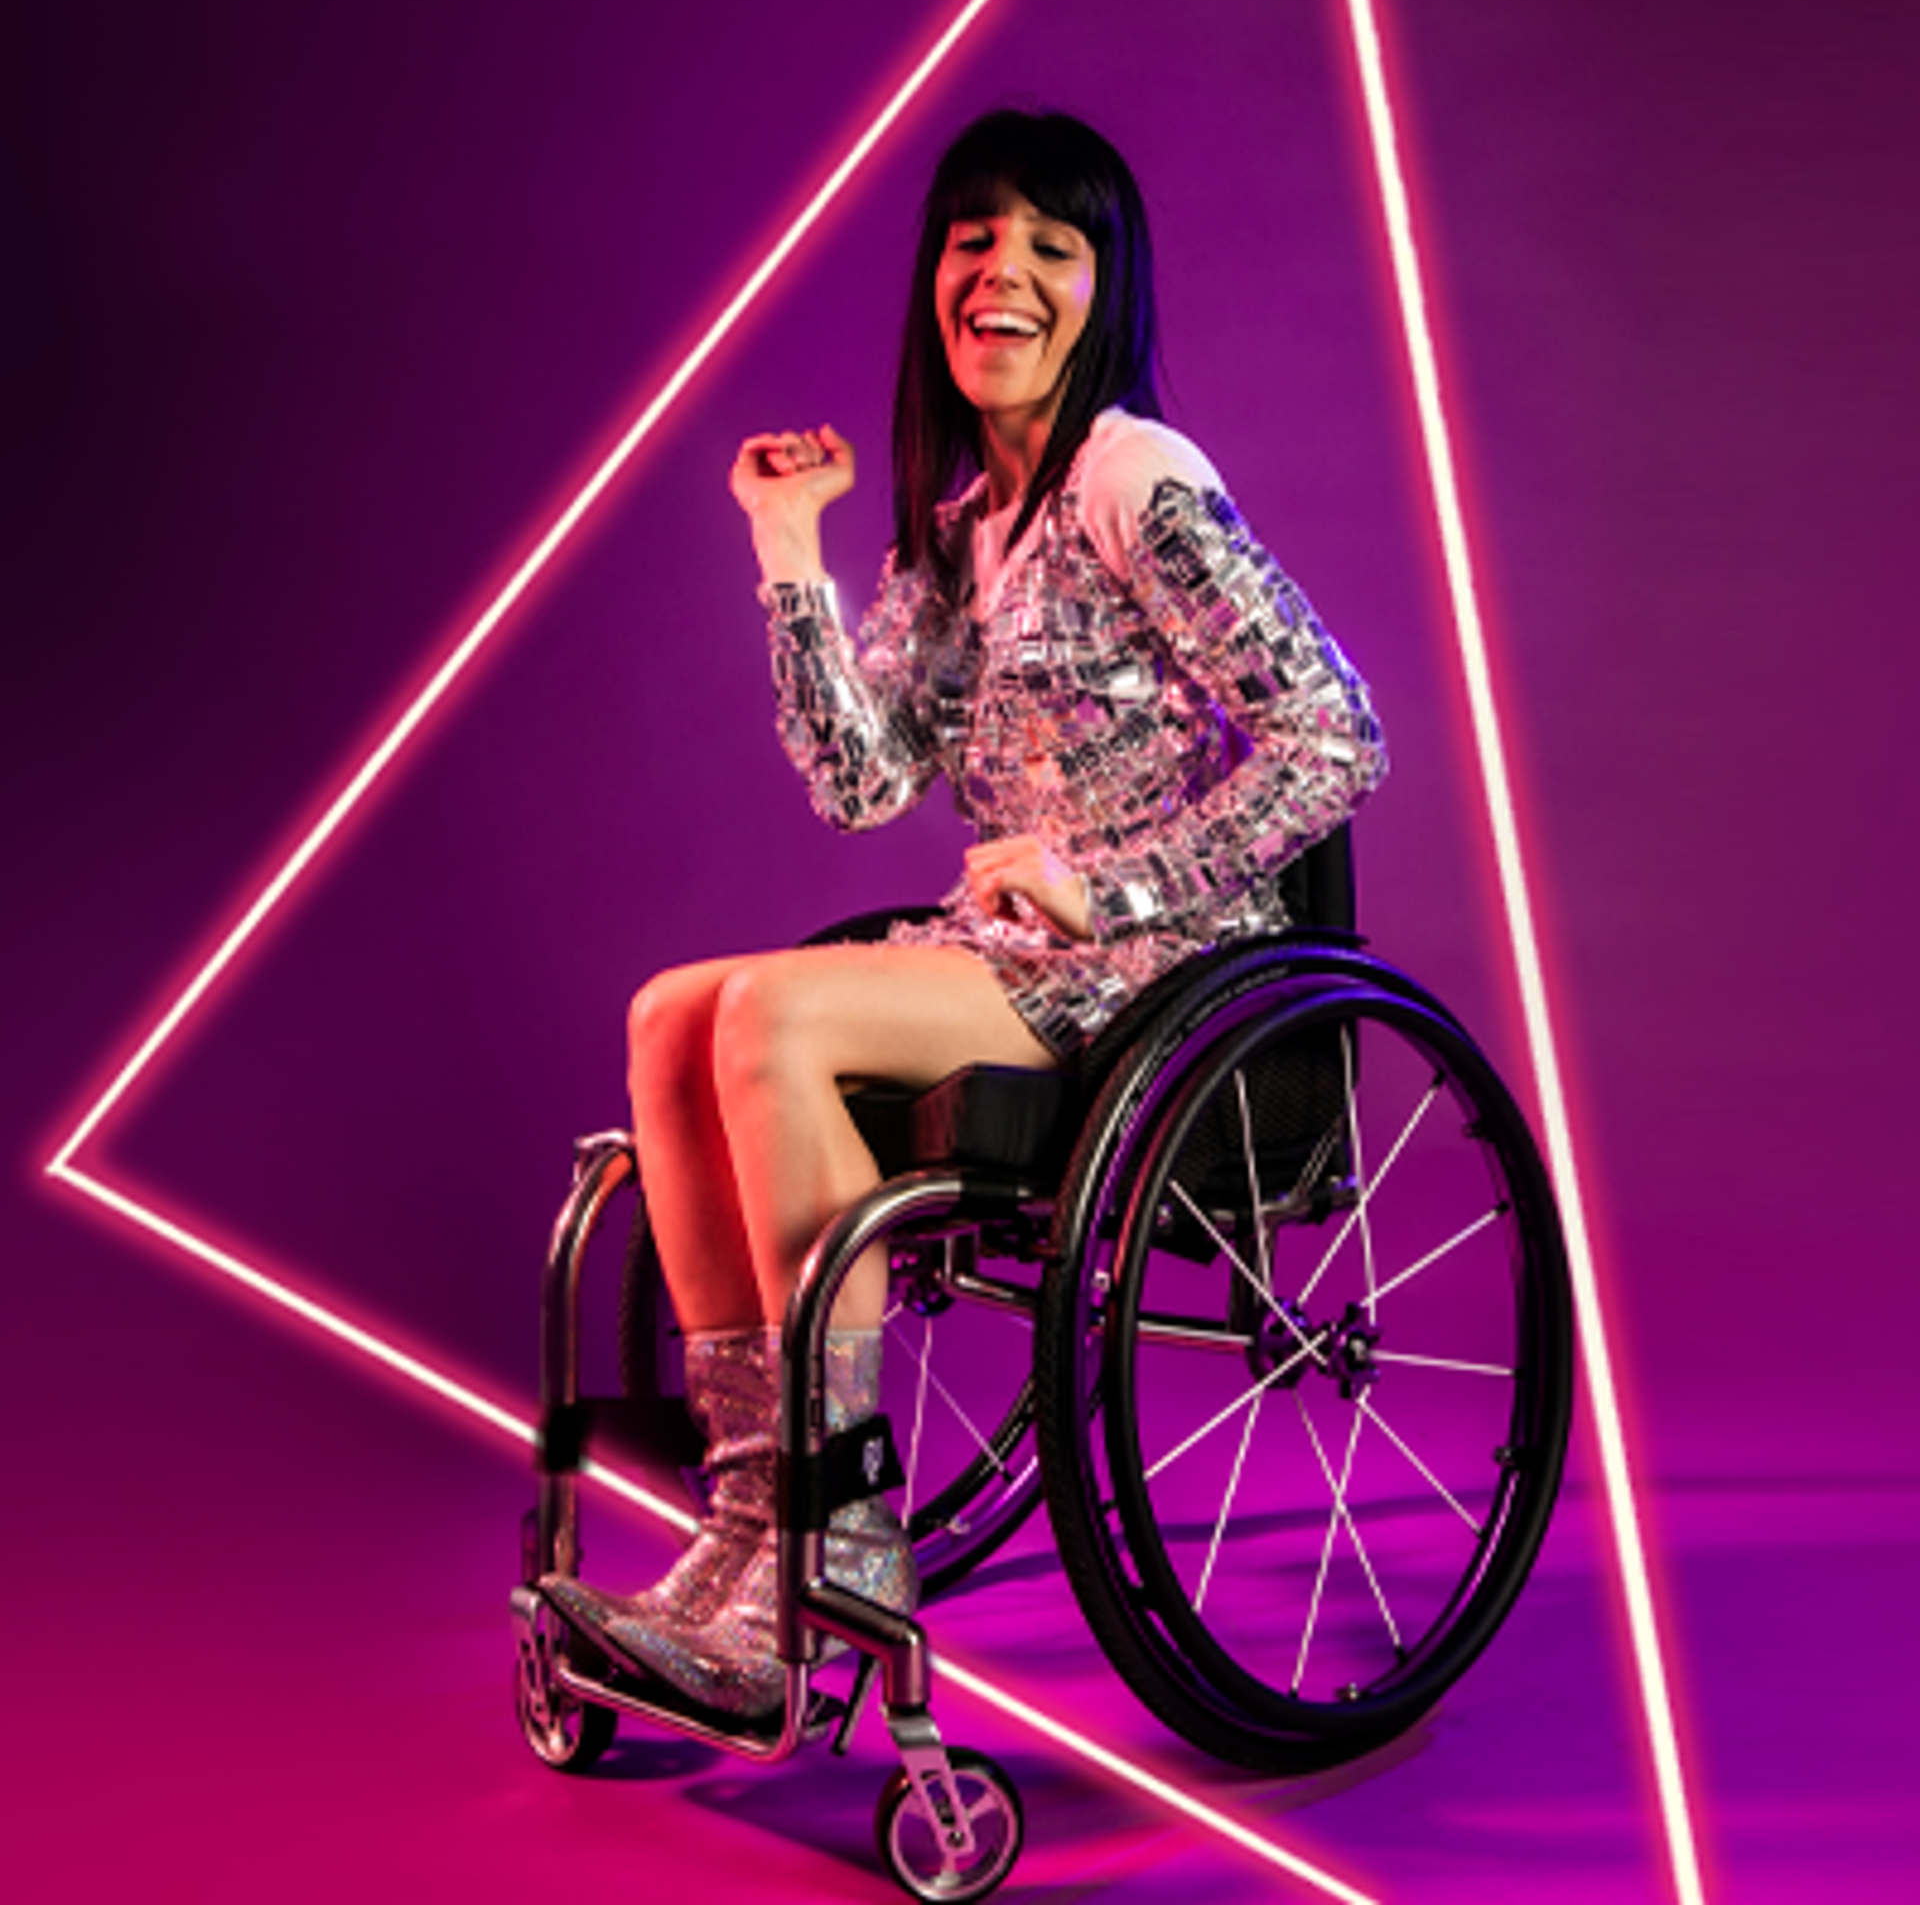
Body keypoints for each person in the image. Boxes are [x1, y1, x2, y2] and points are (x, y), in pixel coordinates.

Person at [545, 108, 1386, 1716]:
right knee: (672, 1011)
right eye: (972, 238)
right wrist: (785, 548)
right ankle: (750, 1517)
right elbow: (859, 785)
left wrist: (1113, 877)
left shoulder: (1135, 476)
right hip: (1014, 953)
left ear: (1104, 291)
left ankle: (841, 1547)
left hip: (1159, 964)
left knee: (777, 1010)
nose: (1000, 273)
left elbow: (1337, 732)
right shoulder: (957, 533)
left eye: (1049, 248)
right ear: (937, 277)